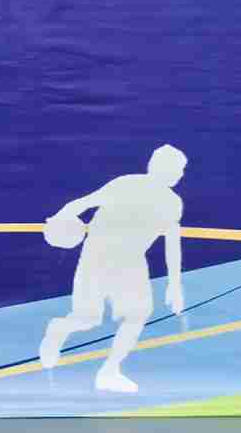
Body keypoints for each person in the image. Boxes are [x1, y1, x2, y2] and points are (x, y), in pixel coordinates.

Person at [41, 145, 194, 395]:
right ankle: (58, 329)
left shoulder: (172, 203)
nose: (180, 174)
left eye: (182, 169)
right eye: (178, 169)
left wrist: (175, 285)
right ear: (159, 168)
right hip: (97, 257)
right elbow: (84, 203)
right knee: (88, 319)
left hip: (130, 263)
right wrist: (59, 218)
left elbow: (172, 244)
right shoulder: (126, 184)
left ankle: (109, 372)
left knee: (137, 315)